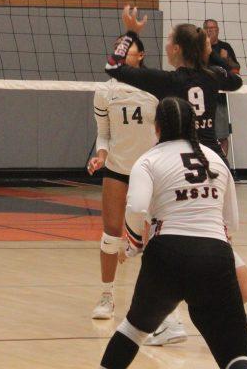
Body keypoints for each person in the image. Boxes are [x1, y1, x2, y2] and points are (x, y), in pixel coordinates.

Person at [105, 6, 247, 346]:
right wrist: (211, 56)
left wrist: (131, 34)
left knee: (160, 243)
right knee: (222, 245)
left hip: (176, 164)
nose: (166, 44)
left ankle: (170, 323)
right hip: (214, 162)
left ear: (178, 49)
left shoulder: (168, 80)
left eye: (170, 41)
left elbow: (113, 67)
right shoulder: (213, 76)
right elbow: (237, 78)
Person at [98, 97, 247, 369]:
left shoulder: (149, 159)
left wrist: (135, 243)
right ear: (194, 125)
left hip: (167, 254)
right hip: (215, 255)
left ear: (157, 127)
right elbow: (231, 223)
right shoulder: (216, 161)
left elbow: (136, 207)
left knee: (134, 329)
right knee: (236, 353)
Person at [86, 35, 159, 320]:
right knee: (110, 233)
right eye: (119, 48)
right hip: (117, 168)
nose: (123, 52)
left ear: (141, 55)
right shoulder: (105, 91)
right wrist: (101, 156)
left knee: (154, 238)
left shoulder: (155, 87)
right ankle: (106, 296)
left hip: (150, 170)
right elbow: (103, 132)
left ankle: (153, 301)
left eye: (129, 48)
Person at [204, 18, 239, 156]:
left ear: (218, 30)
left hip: (220, 98)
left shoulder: (225, 47)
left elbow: (236, 69)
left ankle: (223, 164)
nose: (212, 30)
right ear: (204, 31)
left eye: (214, 28)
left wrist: (226, 59)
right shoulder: (199, 48)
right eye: (208, 28)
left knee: (222, 135)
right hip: (203, 96)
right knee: (204, 134)